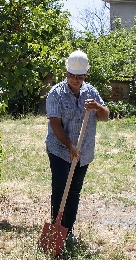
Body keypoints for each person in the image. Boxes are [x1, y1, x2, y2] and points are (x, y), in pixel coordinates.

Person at [45, 50, 109, 244]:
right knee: (61, 187)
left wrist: (97, 107)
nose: (74, 79)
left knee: (73, 190)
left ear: (86, 75)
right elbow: (55, 124)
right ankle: (56, 228)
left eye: (79, 76)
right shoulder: (55, 93)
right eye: (71, 75)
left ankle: (68, 230)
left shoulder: (91, 92)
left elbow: (105, 116)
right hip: (60, 148)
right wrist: (70, 146)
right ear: (66, 72)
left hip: (83, 151)